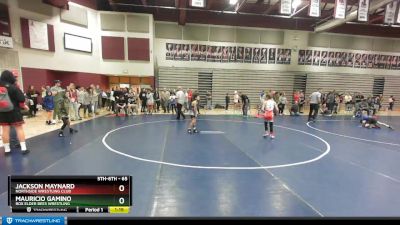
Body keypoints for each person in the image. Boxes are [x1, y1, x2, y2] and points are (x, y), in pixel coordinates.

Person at [0, 70, 29, 154]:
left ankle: (7, 150)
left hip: (2, 112)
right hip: (14, 111)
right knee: (19, 129)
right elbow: (21, 99)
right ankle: (23, 149)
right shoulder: (13, 87)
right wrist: (24, 106)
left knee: (5, 130)